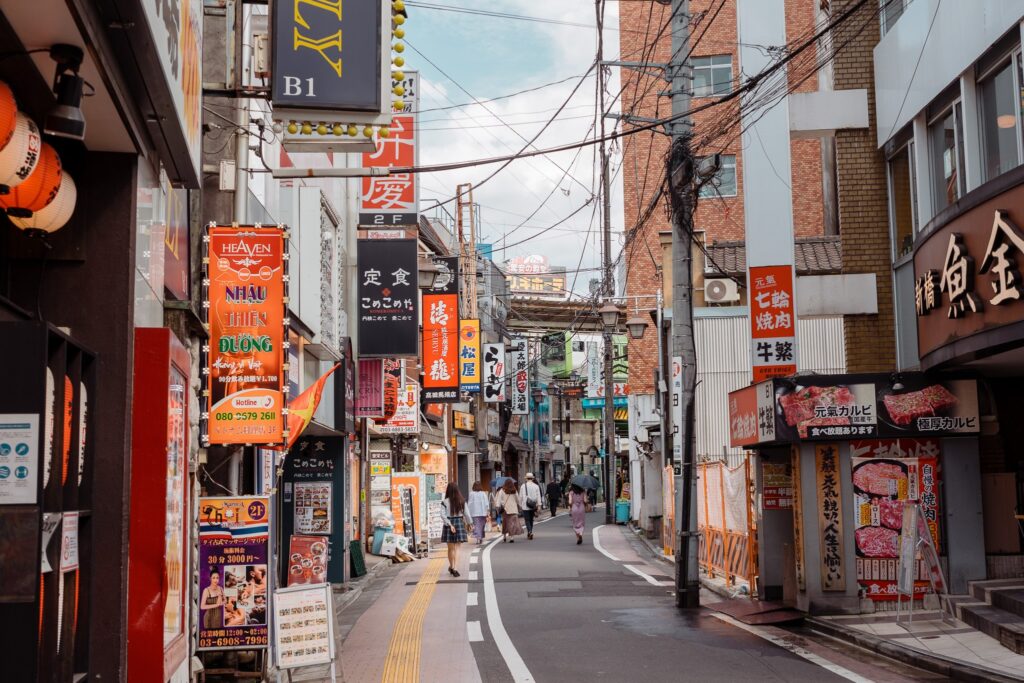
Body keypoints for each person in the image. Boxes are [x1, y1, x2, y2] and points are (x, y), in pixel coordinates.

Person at [440, 482, 472, 576]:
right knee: (457, 548)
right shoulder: (462, 501)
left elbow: (442, 515)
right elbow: (467, 514)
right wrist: (470, 523)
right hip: (459, 523)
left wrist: (449, 524)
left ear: (448, 490)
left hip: (448, 524)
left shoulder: (445, 502)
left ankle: (451, 566)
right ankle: (455, 567)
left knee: (450, 549)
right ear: (457, 490)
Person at [519, 473, 543, 540]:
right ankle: (530, 531)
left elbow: (520, 496)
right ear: (532, 478)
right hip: (533, 505)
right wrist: (539, 505)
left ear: (526, 478)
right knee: (531, 519)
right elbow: (538, 496)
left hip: (525, 505)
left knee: (527, 520)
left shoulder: (523, 486)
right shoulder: (536, 486)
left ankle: (529, 531)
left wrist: (520, 505)